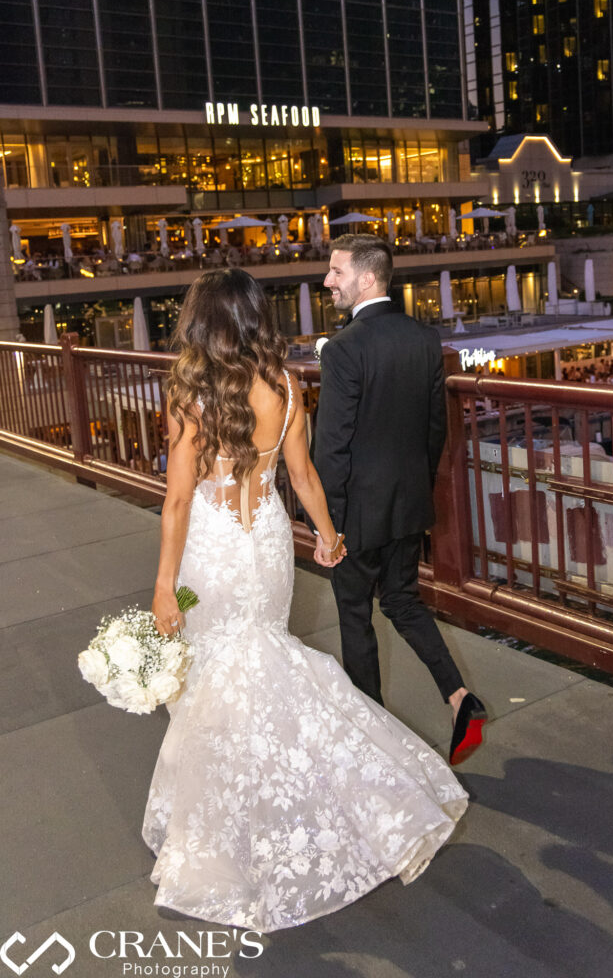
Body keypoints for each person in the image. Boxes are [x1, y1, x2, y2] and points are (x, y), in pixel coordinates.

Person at [145, 269, 468, 932]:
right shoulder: (287, 384)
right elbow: (302, 475)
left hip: (211, 546)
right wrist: (326, 536)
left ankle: (233, 826)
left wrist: (160, 585)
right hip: (264, 543)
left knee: (213, 676)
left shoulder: (188, 391)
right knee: (260, 661)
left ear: (200, 321)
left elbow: (178, 500)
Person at [313, 235, 487, 767]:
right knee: (403, 600)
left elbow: (332, 447)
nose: (328, 281)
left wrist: (328, 526)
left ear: (367, 278)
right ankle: (460, 698)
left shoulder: (344, 349)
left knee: (355, 614)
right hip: (408, 502)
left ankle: (375, 743)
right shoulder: (423, 339)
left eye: (336, 272)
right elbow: (435, 430)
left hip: (357, 512)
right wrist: (413, 489)